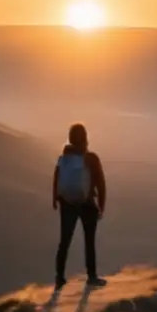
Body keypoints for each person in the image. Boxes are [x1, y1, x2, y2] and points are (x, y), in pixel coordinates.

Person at [53, 122, 107, 289]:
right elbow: (101, 182)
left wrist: (55, 199)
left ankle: (59, 278)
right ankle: (91, 277)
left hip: (67, 202)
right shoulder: (91, 158)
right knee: (89, 241)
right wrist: (101, 205)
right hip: (87, 203)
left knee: (64, 240)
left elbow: (57, 177)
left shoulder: (64, 158)